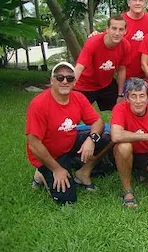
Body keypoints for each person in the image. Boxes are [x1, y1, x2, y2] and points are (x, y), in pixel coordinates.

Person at [26, 62, 111, 205]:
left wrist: (91, 139)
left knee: (108, 137)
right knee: (66, 200)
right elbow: (34, 144)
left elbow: (98, 122)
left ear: (74, 82)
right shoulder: (39, 105)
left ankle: (83, 172)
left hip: (69, 142)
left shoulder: (78, 98)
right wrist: (56, 169)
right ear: (52, 80)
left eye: (69, 78)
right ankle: (41, 173)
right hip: (48, 154)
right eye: (60, 78)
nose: (65, 81)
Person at [110, 78, 148, 207]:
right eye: (134, 96)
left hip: (147, 155)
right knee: (124, 147)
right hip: (126, 151)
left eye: (142, 96)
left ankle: (141, 171)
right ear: (127, 98)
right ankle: (127, 190)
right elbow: (115, 135)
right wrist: (147, 136)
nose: (138, 101)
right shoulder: (120, 108)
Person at [74, 15, 130, 111]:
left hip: (106, 85)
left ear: (125, 31)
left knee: (122, 109)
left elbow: (121, 69)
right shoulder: (93, 43)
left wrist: (120, 94)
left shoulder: (125, 45)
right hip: (84, 85)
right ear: (107, 29)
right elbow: (79, 67)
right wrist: (68, 87)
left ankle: (119, 126)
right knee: (73, 114)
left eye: (121, 29)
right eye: (114, 29)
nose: (117, 33)